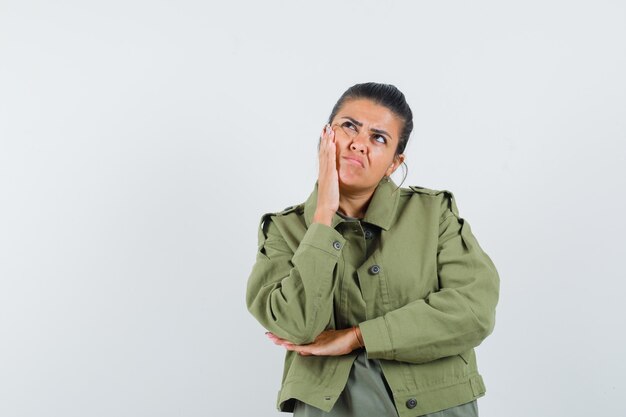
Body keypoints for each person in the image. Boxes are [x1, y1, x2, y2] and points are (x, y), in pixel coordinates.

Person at [246, 82, 500, 417]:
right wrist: (323, 217)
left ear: (395, 163)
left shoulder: (434, 214)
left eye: (378, 138)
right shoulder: (285, 230)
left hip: (436, 406)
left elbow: (473, 312)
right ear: (326, 135)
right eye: (349, 126)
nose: (358, 144)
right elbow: (295, 326)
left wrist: (357, 336)